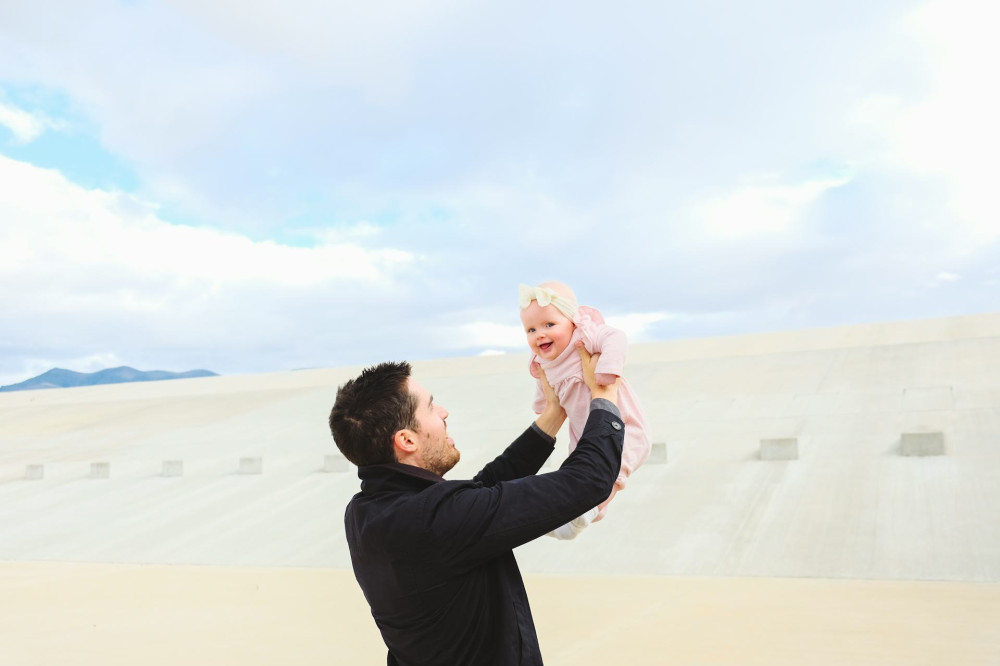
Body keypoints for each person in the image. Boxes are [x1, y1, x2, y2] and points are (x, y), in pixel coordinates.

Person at [329, 346, 624, 666]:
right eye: (431, 407)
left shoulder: (364, 512)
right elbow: (588, 481)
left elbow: (477, 497)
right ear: (407, 440)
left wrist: (552, 416)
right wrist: (605, 395)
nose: (444, 412)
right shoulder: (435, 520)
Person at [519, 281, 652, 539]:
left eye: (549, 324)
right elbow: (544, 386)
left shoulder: (585, 337)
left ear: (573, 321)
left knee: (610, 468)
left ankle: (587, 510)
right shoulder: (542, 360)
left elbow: (616, 337)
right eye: (531, 329)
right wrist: (543, 405)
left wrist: (608, 368)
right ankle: (570, 514)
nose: (539, 334)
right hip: (583, 433)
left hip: (623, 425)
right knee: (576, 472)